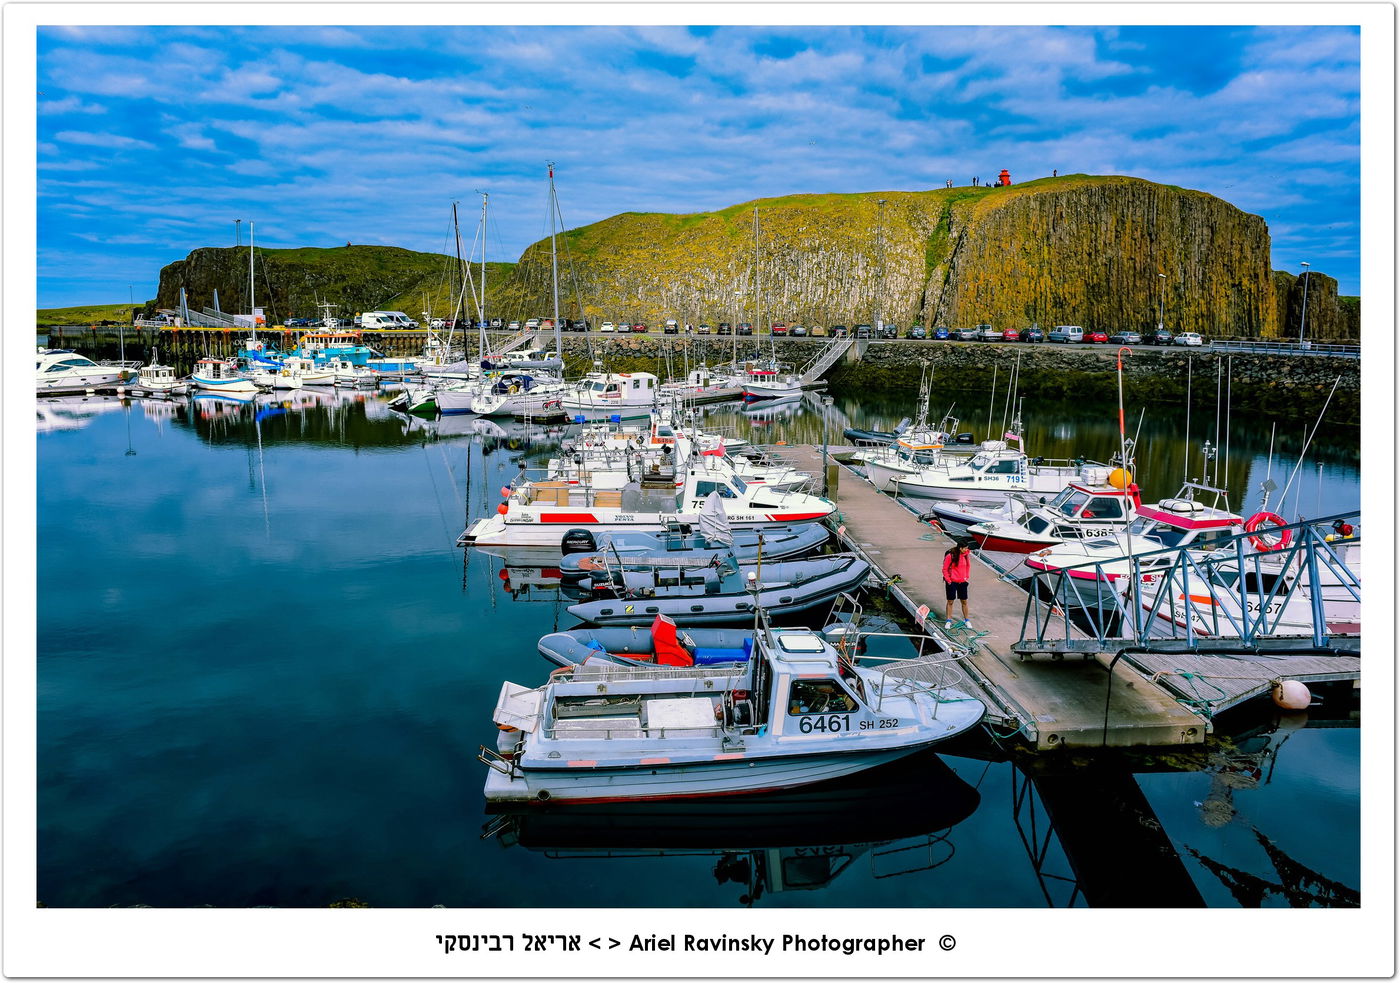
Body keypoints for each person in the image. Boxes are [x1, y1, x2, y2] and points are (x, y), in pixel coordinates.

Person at [942, 542, 972, 628]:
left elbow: (968, 566)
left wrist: (966, 576)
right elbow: (944, 569)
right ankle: (948, 621)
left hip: (962, 582)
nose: (967, 550)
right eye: (965, 548)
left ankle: (967, 620)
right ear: (960, 548)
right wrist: (948, 580)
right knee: (950, 601)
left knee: (964, 601)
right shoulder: (950, 556)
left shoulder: (966, 555)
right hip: (952, 582)